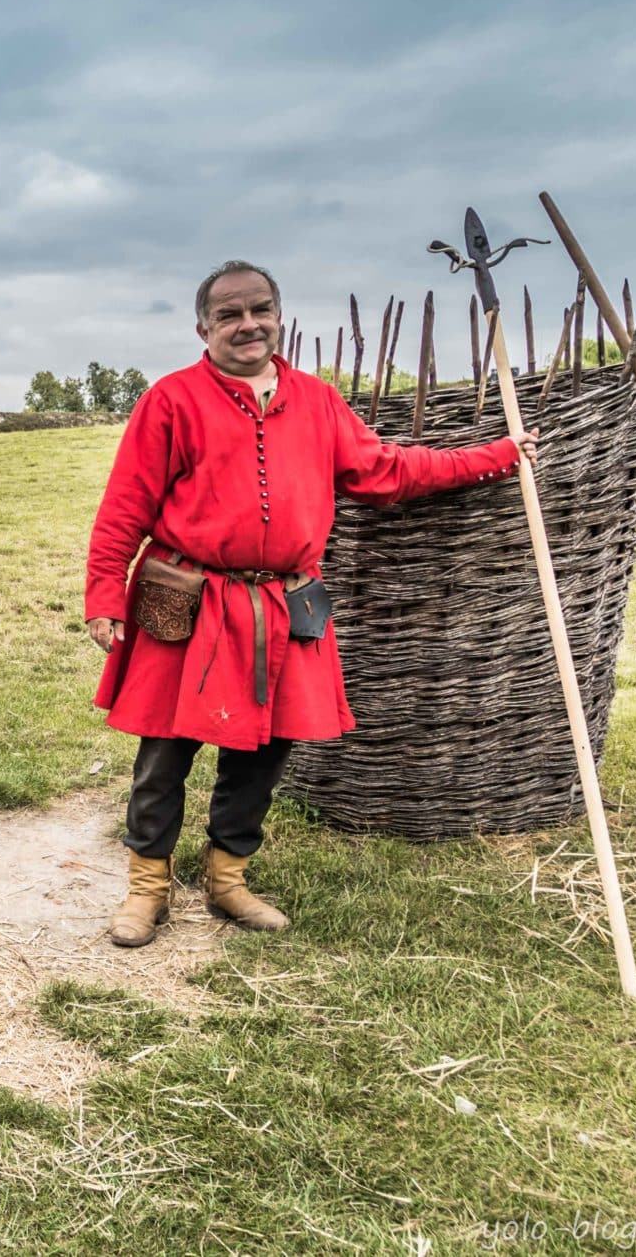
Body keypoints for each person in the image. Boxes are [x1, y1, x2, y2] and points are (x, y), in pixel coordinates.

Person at [84, 261, 538, 946]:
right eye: (229, 314)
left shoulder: (317, 401)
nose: (248, 324)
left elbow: (385, 470)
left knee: (264, 752)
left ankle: (227, 881)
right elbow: (125, 506)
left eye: (259, 308)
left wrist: (495, 456)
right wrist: (102, 595)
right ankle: (147, 890)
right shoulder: (172, 399)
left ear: (278, 313)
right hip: (190, 601)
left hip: (281, 604)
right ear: (203, 326)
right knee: (165, 753)